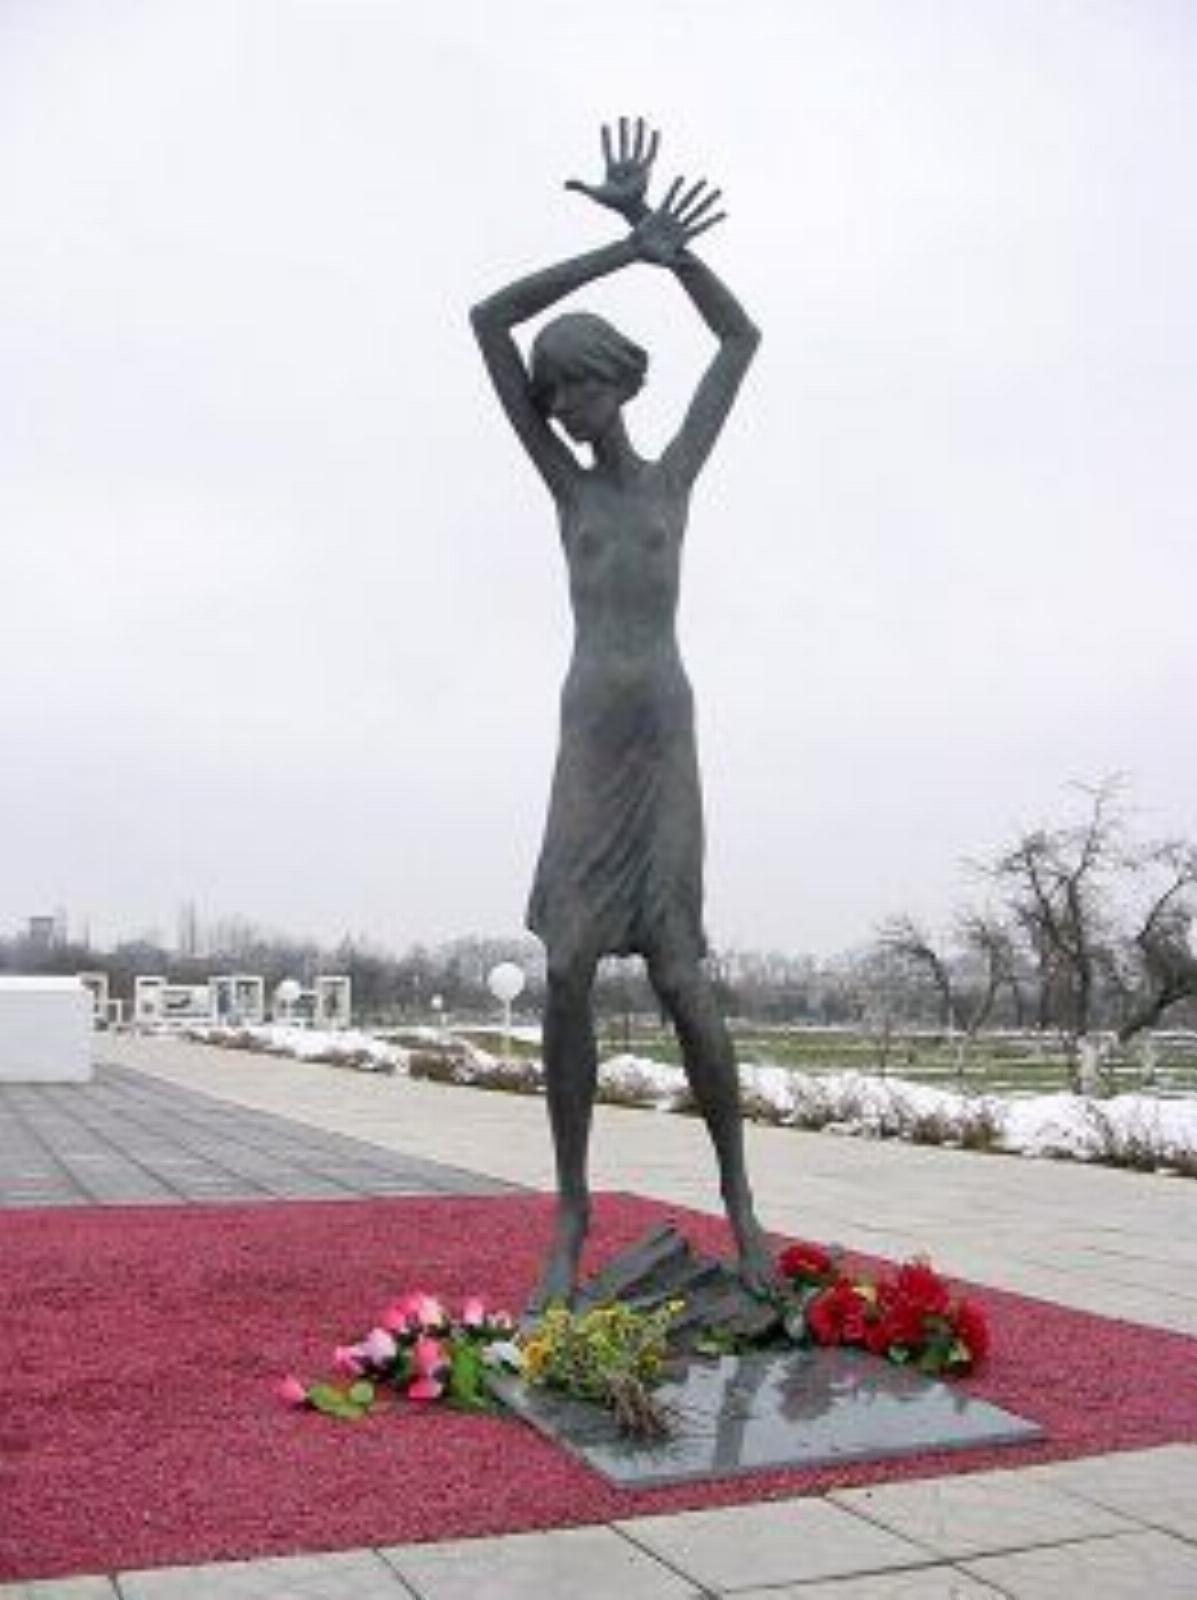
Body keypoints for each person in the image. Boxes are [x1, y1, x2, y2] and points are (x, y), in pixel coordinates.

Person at [471, 119, 773, 1308]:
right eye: (549, 397)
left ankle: (740, 1200)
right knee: (564, 971)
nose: (557, 410)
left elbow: (741, 340)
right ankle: (572, 1209)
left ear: (611, 380)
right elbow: (488, 320)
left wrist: (666, 247)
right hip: (588, 747)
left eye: (573, 389)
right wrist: (616, 246)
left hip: (666, 747)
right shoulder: (567, 490)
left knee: (685, 978)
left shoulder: (670, 481)